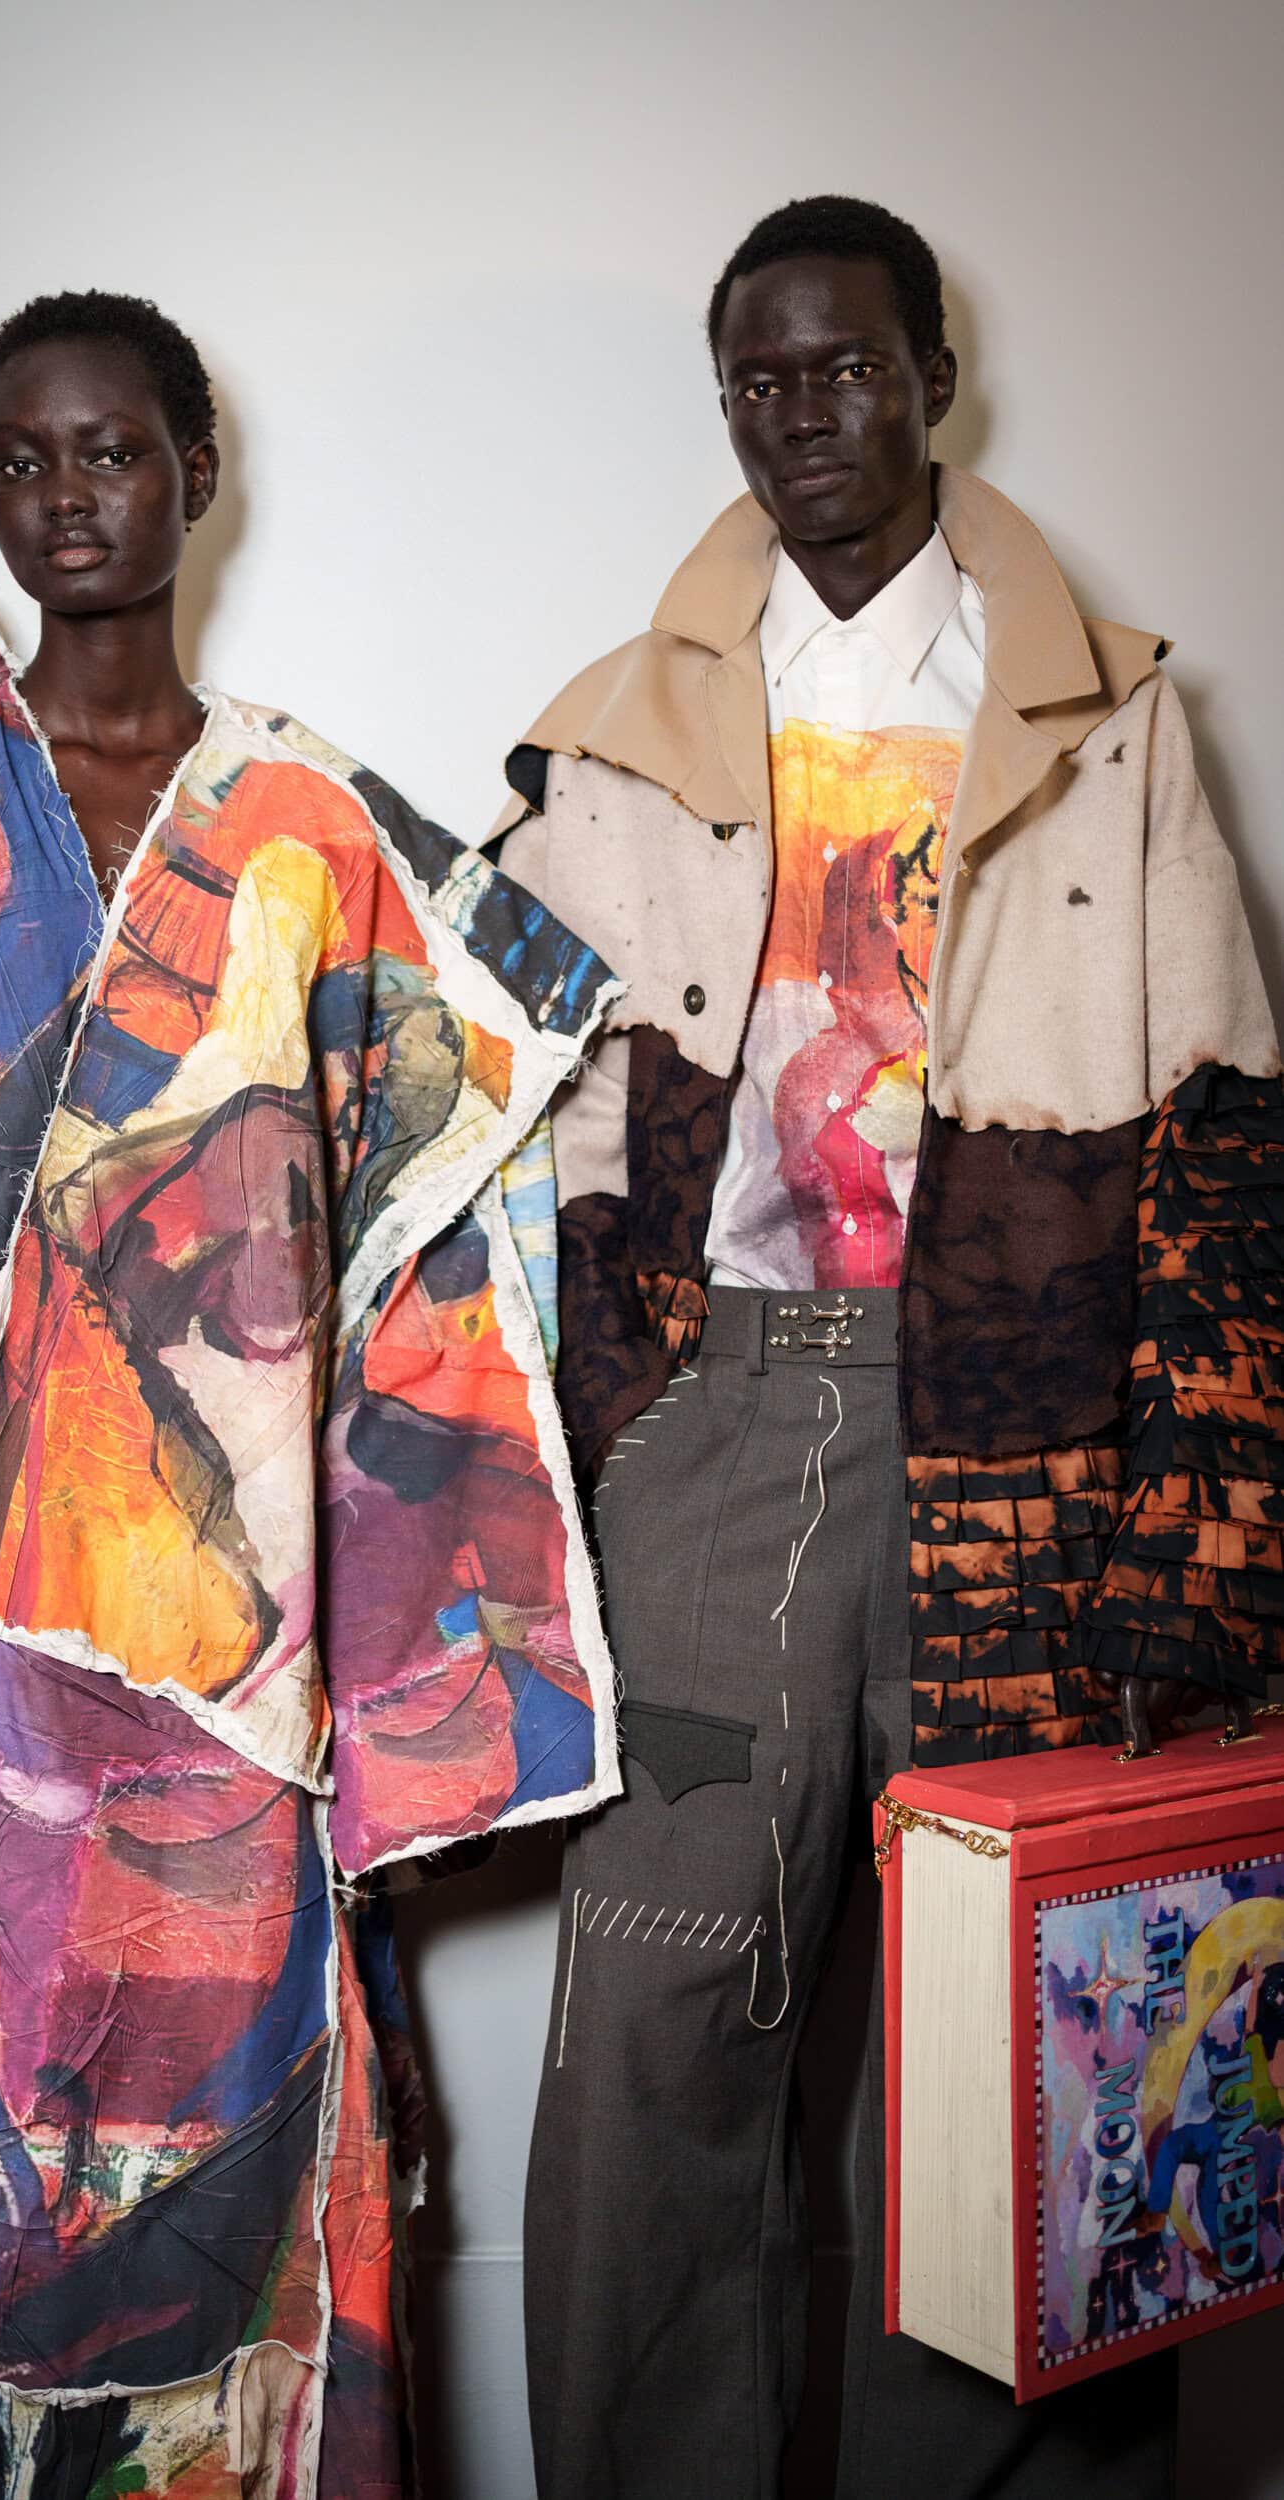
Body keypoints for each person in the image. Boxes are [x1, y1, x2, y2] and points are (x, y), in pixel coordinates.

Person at [0, 290, 618, 2499]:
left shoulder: (314, 836)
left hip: (230, 1662)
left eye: (114, 451)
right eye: (26, 457)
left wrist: (410, 1717)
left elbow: (420, 1285)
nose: (68, 496)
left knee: (227, 2177)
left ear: (196, 473)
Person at [491, 195, 1284, 2498]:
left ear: (936, 377)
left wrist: (1195, 1545)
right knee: (653, 2045)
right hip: (709, 1431)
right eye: (756, 374)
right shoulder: (612, 738)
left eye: (843, 364)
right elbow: (508, 1147)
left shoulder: (1110, 723)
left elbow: (1228, 1141)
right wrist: (543, 1490)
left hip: (1028, 1455)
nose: (799, 411)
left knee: (1003, 2071)